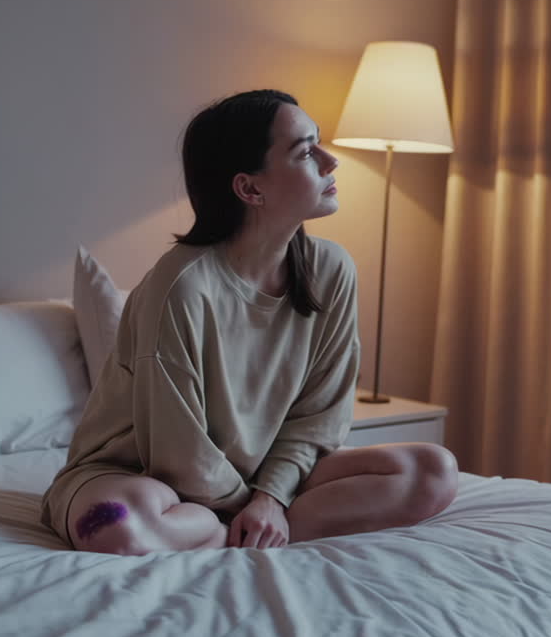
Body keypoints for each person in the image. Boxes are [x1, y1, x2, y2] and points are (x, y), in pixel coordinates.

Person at [40, 89, 458, 555]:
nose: (330, 161)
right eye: (306, 152)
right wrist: (254, 505)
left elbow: (319, 417)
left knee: (433, 471)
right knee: (114, 526)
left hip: (259, 476)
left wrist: (271, 496)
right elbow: (177, 450)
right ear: (250, 189)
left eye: (319, 143)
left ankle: (232, 534)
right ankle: (245, 531)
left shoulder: (332, 270)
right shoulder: (180, 287)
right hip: (146, 476)